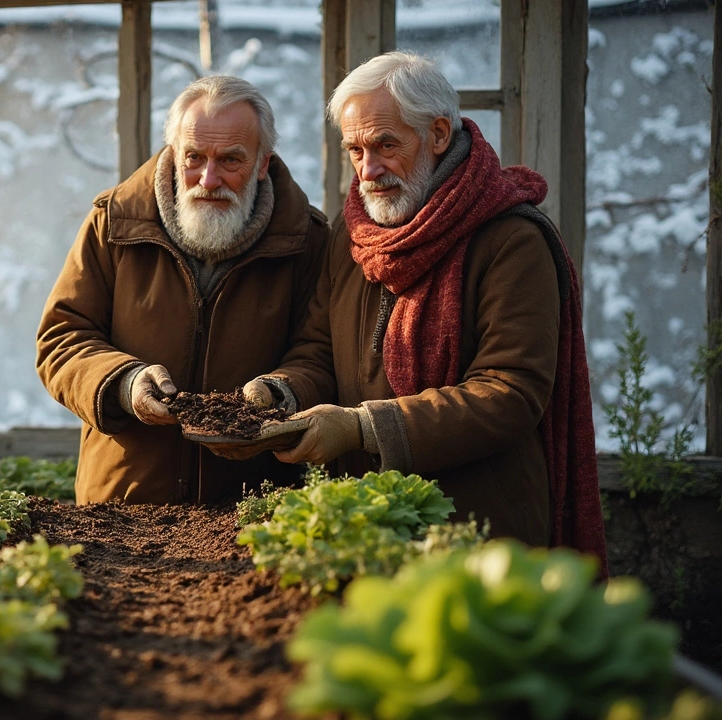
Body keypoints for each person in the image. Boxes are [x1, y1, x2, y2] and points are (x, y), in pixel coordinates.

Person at [244, 51, 606, 568]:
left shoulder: (511, 240)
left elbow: (510, 392)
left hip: (478, 536)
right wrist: (281, 391)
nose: (369, 170)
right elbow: (320, 350)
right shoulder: (355, 234)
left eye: (386, 145)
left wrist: (363, 428)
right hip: (371, 526)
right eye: (355, 150)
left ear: (438, 134)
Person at [35, 75, 328, 504]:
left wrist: (278, 392)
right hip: (120, 505)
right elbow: (61, 338)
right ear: (174, 154)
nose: (209, 179)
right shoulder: (112, 224)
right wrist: (124, 383)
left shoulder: (308, 240)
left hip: (250, 509)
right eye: (194, 157)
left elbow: (320, 353)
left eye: (231, 160)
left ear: (263, 163)